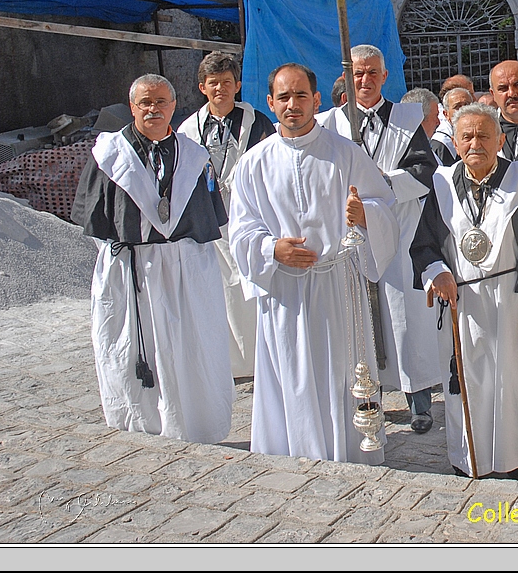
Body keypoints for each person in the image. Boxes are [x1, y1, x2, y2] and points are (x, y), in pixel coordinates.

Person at [229, 63, 399, 462]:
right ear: (270, 103)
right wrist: (272, 249)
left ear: (317, 99)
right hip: (285, 290)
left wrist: (364, 214)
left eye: (301, 95)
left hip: (337, 286)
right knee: (293, 375)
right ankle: (294, 450)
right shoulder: (254, 163)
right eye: (284, 97)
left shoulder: (346, 154)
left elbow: (382, 205)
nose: (293, 105)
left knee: (340, 371)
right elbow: (239, 230)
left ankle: (347, 452)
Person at [411, 103, 518, 481]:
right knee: (467, 383)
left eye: (484, 135)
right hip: (463, 304)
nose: (475, 144)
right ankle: (469, 459)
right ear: (454, 142)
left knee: (516, 385)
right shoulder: (441, 187)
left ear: (500, 140)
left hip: (514, 303)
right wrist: (437, 272)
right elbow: (424, 246)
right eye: (467, 136)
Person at [72, 74, 233, 443]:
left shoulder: (194, 156)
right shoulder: (108, 156)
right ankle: (141, 422)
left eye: (161, 102)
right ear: (132, 107)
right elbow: (96, 220)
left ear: (174, 106)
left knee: (190, 344)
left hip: (184, 269)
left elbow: (209, 217)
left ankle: (195, 421)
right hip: (132, 271)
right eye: (145, 102)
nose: (153, 109)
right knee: (132, 346)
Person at [317, 45, 442, 434]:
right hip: (348, 238)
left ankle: (418, 401)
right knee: (356, 322)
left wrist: (383, 184)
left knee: (405, 325)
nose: (365, 81)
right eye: (358, 74)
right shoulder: (327, 125)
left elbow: (425, 170)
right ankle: (364, 397)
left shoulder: (407, 120)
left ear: (385, 76)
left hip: (399, 235)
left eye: (372, 73)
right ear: (347, 78)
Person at [178, 52, 276, 379]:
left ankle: (264, 357)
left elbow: (271, 167)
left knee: (253, 284)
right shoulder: (188, 129)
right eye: (213, 83)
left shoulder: (257, 123)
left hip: (251, 218)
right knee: (220, 290)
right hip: (210, 222)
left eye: (226, 83)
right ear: (202, 87)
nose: (220, 89)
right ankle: (231, 362)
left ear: (237, 86)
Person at [433, 87, 473, 167]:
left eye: (466, 105)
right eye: (457, 107)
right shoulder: (441, 144)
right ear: (446, 114)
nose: (463, 110)